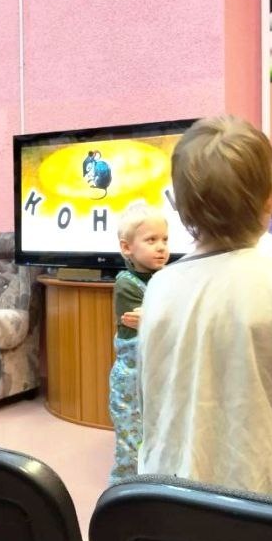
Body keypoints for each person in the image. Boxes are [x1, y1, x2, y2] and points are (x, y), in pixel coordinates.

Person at [137, 116, 272, 504]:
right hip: (264, 497)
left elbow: (150, 398)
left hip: (169, 491)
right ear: (271, 197)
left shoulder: (158, 287)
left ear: (179, 205)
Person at [108, 201, 169, 482]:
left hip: (156, 375)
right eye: (151, 240)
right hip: (132, 381)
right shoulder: (127, 282)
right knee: (131, 444)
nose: (161, 247)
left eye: (165, 239)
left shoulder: (167, 278)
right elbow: (146, 325)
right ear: (127, 247)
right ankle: (124, 490)